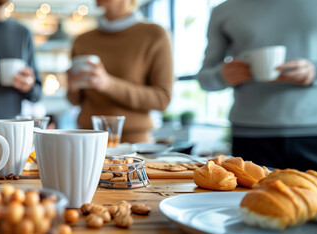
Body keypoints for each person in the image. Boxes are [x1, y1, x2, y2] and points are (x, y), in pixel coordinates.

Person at [197, 0, 317, 170]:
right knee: (246, 197)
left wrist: (314, 71)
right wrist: (222, 75)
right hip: (249, 135)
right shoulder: (224, 10)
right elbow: (204, 78)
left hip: (311, 131)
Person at [66, 0, 173, 143]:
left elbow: (162, 99)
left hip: (134, 145)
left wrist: (108, 84)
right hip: (86, 140)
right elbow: (76, 100)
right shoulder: (82, 40)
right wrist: (73, 88)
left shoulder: (155, 35)